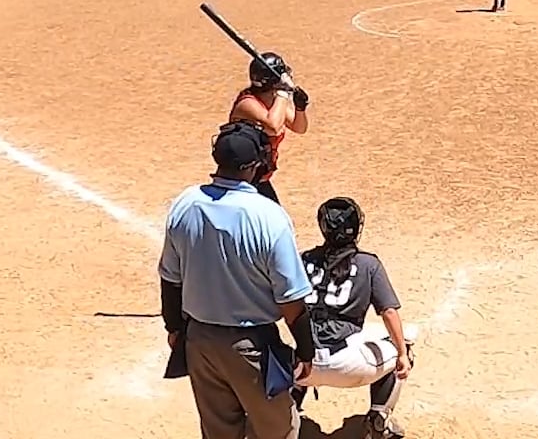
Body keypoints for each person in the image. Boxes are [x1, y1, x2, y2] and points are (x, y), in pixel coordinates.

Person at [159, 122, 316, 439]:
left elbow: (170, 279)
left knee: (218, 432)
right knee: (278, 431)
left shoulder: (185, 203)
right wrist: (306, 350)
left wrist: (174, 329)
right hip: (252, 347)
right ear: (255, 164)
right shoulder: (268, 216)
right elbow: (290, 300)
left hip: (200, 341)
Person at [296, 198, 415, 439]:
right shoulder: (368, 264)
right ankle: (379, 418)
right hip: (348, 364)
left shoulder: (303, 259)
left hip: (301, 364)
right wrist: (402, 353)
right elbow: (389, 312)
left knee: (290, 347)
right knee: (405, 342)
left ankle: (287, 414)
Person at [229, 53, 309, 204]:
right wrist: (283, 93)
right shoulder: (247, 103)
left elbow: (299, 128)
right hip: (240, 180)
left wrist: (300, 108)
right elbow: (273, 126)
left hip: (260, 178)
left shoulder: (273, 100)